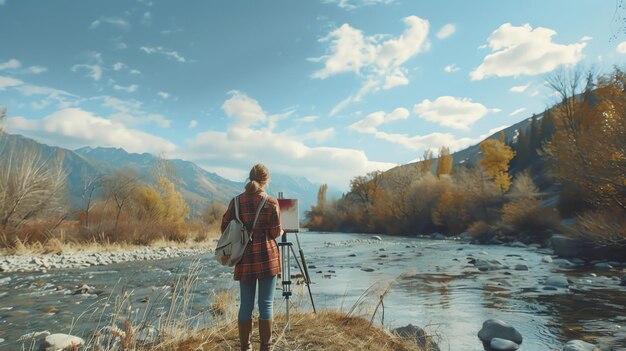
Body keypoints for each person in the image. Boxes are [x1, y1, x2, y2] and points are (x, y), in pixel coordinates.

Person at [221, 163, 282, 351]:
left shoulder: (236, 201)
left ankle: (245, 348)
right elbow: (276, 232)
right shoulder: (271, 202)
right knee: (266, 304)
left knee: (245, 304)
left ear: (249, 178)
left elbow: (224, 228)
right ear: (266, 180)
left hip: (244, 258)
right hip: (267, 259)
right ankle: (265, 347)